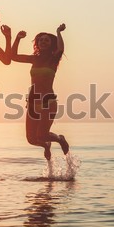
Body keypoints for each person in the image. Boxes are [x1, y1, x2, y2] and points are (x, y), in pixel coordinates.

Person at [11, 24, 70, 160]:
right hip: (33, 102)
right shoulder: (34, 59)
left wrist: (58, 32)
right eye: (41, 40)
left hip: (48, 101)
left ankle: (60, 138)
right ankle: (46, 146)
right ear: (37, 43)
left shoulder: (53, 59)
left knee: (42, 134)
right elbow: (13, 56)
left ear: (51, 45)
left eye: (47, 40)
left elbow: (61, 49)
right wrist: (18, 38)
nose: (43, 42)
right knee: (31, 139)